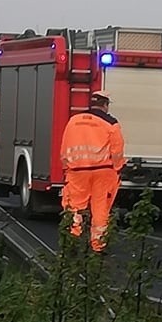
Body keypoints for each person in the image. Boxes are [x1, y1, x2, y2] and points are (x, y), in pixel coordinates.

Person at [60, 89, 126, 253]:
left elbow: (64, 147)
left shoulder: (73, 121)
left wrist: (66, 168)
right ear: (105, 105)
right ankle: (98, 246)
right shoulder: (111, 123)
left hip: (77, 171)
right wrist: (118, 169)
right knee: (100, 209)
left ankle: (72, 240)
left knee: (75, 206)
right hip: (103, 172)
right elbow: (117, 150)